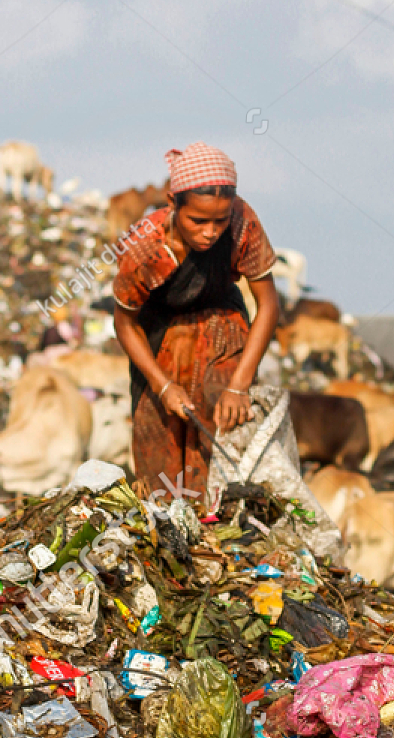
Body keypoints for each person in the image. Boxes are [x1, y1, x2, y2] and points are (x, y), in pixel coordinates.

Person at [112, 142, 281, 498]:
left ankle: (222, 530)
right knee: (159, 460)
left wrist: (239, 385)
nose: (211, 232)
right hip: (158, 342)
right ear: (173, 203)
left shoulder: (242, 222)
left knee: (225, 430)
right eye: (198, 221)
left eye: (220, 220)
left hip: (223, 328)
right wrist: (162, 385)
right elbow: (125, 324)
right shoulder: (144, 246)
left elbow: (268, 304)